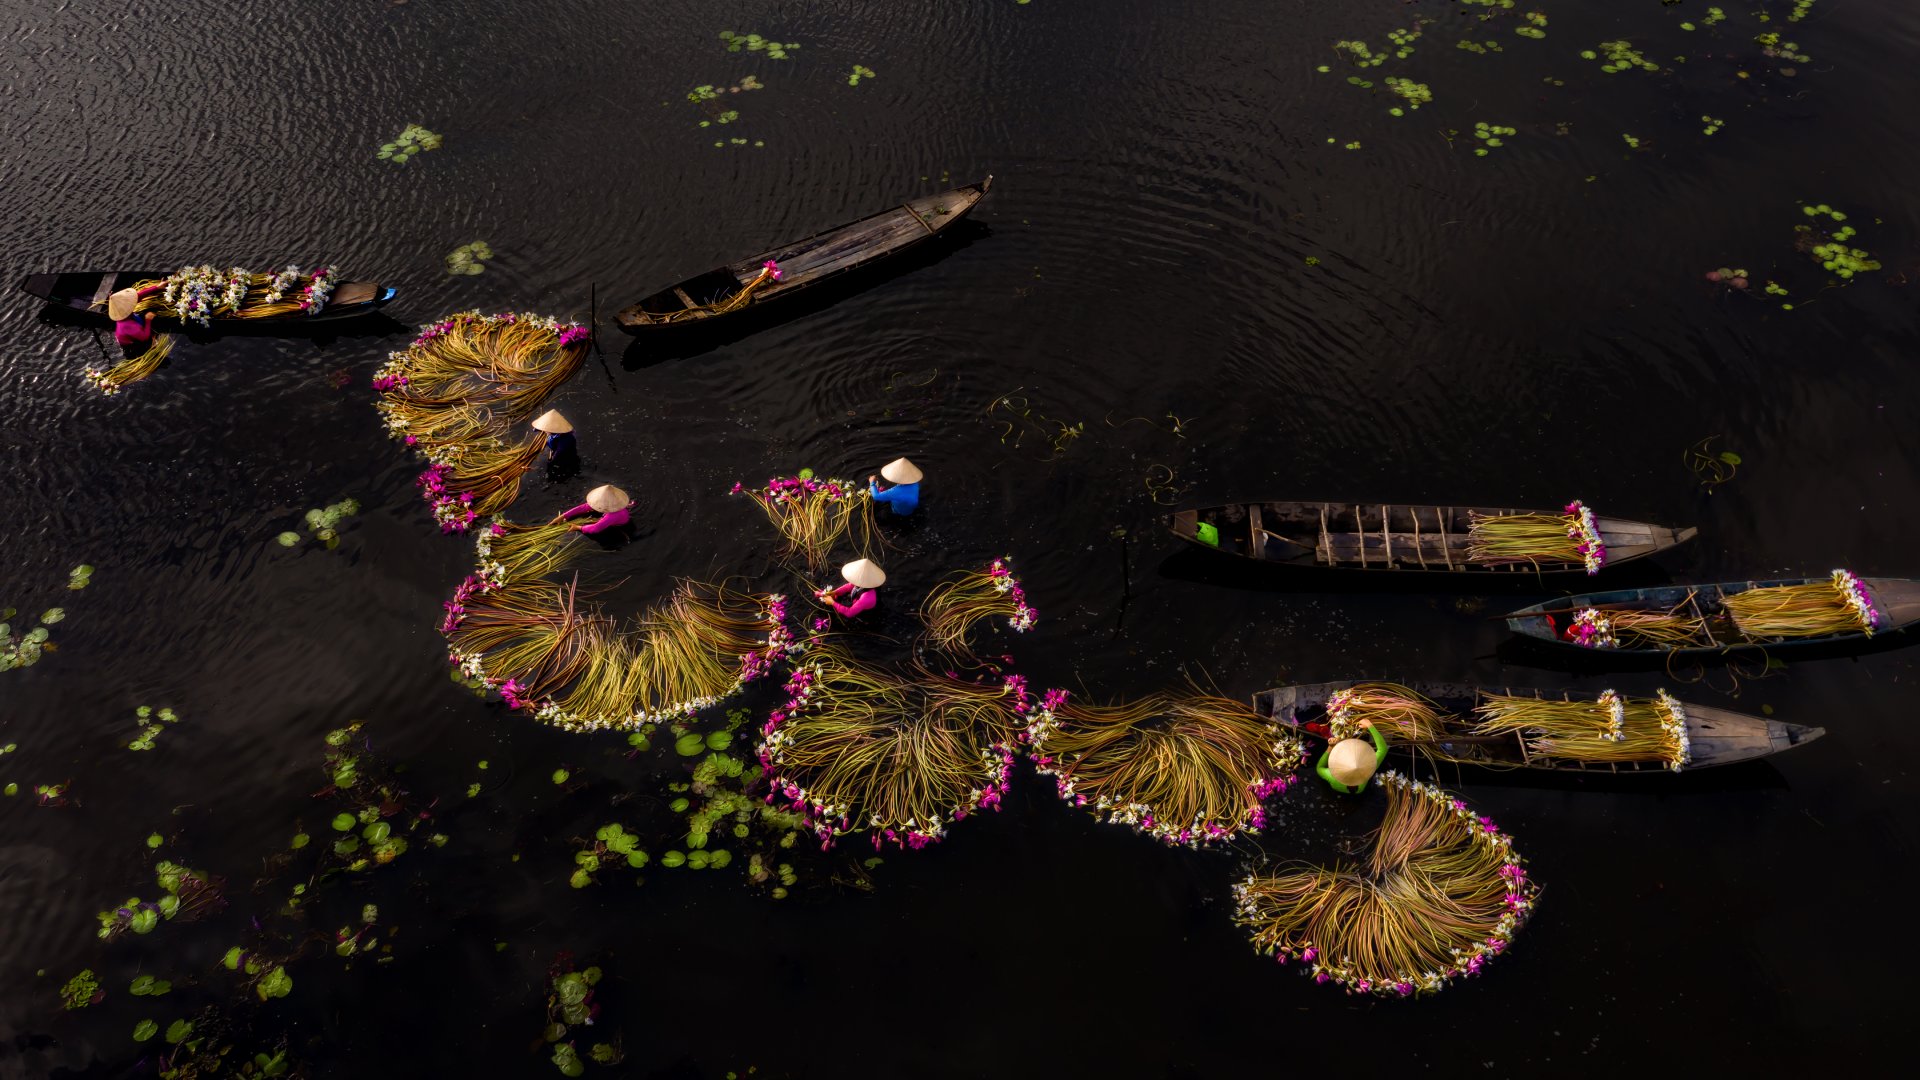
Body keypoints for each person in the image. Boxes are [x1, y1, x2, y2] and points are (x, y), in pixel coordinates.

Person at [1315, 720, 1389, 794]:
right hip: (1360, 790)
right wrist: (1369, 725)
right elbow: (1383, 749)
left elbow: (1319, 768)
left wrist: (1330, 747)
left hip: (1340, 788)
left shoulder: (1332, 777)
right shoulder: (1370, 766)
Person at [816, 558, 885, 618]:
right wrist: (835, 592)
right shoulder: (863, 582)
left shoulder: (866, 597)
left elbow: (849, 613)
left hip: (865, 611)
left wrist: (833, 603)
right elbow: (849, 586)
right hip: (857, 598)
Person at [554, 484, 632, 535]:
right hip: (620, 514)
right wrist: (563, 516)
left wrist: (578, 527)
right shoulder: (618, 502)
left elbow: (596, 528)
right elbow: (583, 507)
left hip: (619, 524)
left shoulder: (611, 516)